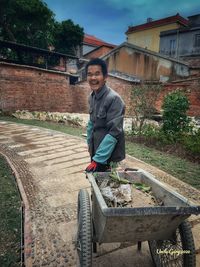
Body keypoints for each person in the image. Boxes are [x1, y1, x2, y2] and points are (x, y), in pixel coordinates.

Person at [85, 58, 125, 172]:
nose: (93, 78)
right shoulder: (92, 97)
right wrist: (89, 144)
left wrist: (98, 159)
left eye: (97, 74)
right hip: (96, 151)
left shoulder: (114, 99)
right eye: (89, 74)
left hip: (109, 156)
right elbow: (91, 123)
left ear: (105, 77)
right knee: (96, 183)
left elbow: (114, 132)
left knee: (108, 187)